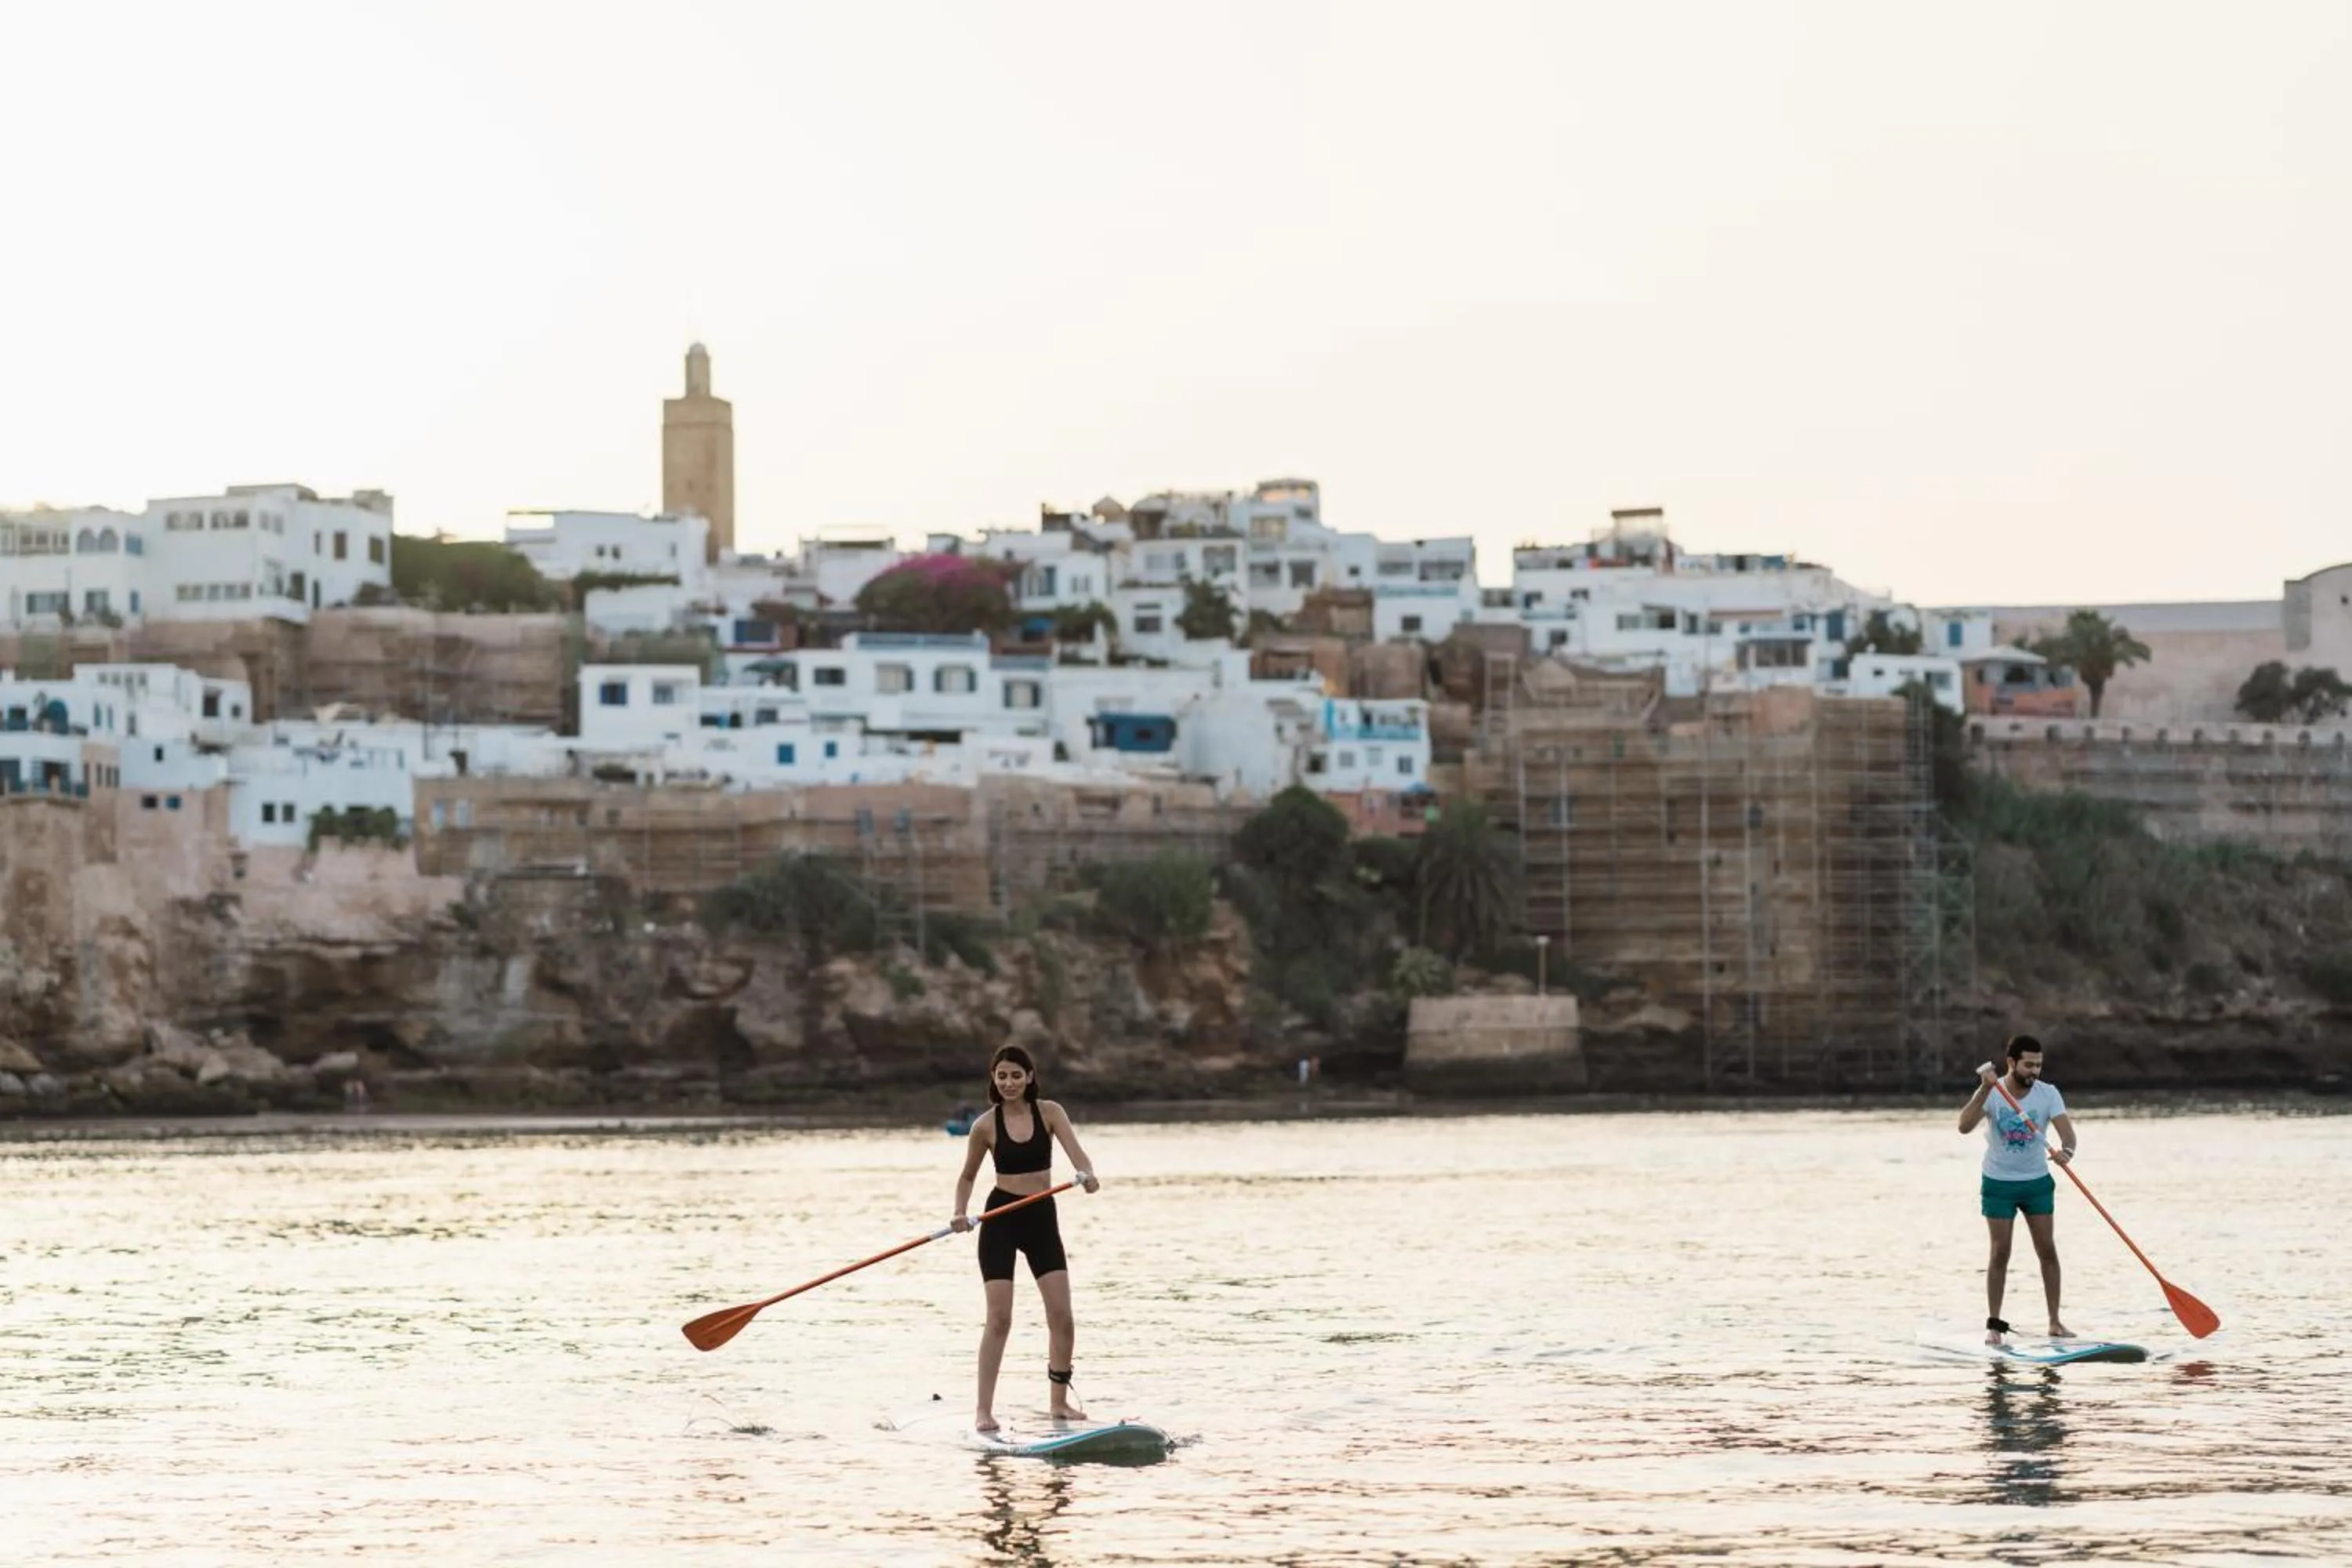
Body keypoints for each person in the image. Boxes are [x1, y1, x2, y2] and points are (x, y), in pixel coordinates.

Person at [951, 1044, 1099, 1432]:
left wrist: (1088, 1175)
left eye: (1016, 1075)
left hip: (1041, 1220)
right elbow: (967, 1177)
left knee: (1062, 1316)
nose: (1009, 1082)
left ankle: (1058, 1403)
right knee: (999, 1319)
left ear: (1030, 1077)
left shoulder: (1050, 1113)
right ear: (994, 1080)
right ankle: (983, 1411)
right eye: (1002, 1076)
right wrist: (959, 1213)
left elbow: (1078, 1156)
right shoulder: (984, 1125)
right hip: (1000, 1220)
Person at [1958, 1033, 2077, 1345]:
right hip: (1998, 1184)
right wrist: (1984, 1089)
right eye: (2028, 1065)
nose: (2035, 1071)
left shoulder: (2048, 1094)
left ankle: (2055, 1322)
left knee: (2047, 1250)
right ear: (2011, 1063)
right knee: (2000, 1252)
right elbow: (1963, 1125)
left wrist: (2067, 1152)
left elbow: (2068, 1135)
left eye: (2038, 1065)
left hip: (2037, 1183)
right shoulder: (1993, 1093)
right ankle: (1994, 1325)